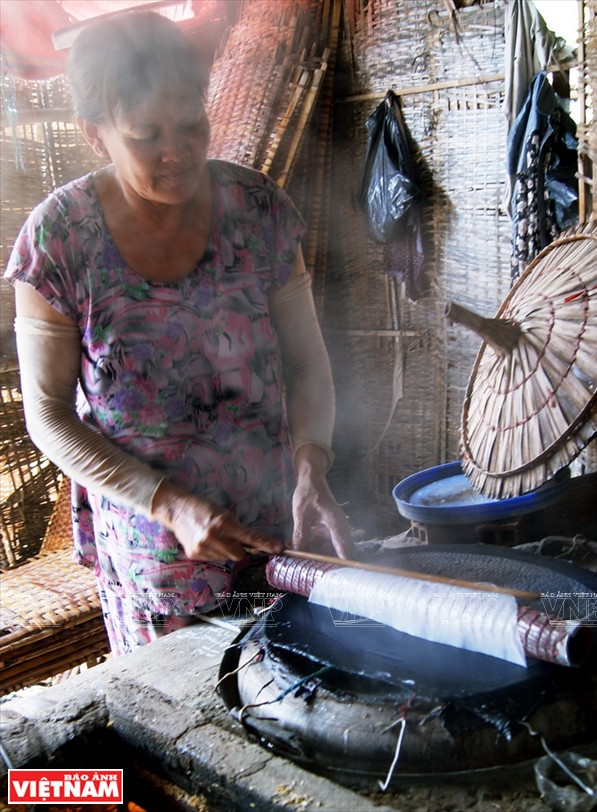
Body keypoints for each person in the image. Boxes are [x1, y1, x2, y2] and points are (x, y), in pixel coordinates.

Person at [4, 10, 352, 655]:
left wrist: (312, 464)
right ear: (94, 134)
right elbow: (48, 416)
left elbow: (307, 363)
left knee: (284, 685)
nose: (179, 151)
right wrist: (170, 505)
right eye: (146, 135)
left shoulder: (259, 211)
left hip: (276, 532)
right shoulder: (59, 239)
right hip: (155, 553)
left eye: (192, 123)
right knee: (180, 704)